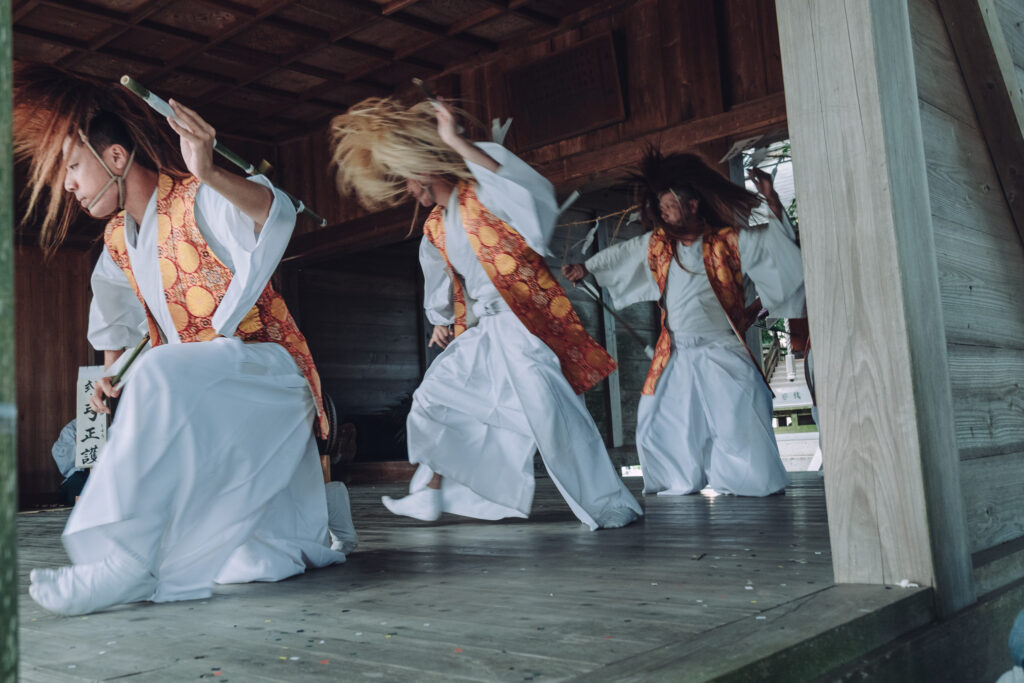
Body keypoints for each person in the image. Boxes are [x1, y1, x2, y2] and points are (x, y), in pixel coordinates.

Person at [14, 65, 355, 616]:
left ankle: (124, 563)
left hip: (266, 372)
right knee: (244, 564)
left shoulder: (198, 198)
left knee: (164, 371)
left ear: (116, 158)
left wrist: (209, 168)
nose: (68, 186)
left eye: (73, 167)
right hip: (208, 384)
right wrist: (114, 376)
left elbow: (274, 211)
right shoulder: (117, 244)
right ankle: (321, 513)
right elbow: (133, 332)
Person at [328, 96, 642, 529]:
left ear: (426, 166)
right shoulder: (437, 225)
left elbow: (523, 189)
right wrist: (439, 318)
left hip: (525, 324)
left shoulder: (485, 191)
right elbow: (438, 276)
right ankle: (429, 493)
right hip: (489, 328)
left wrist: (455, 140)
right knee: (435, 399)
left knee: (553, 419)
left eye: (408, 177)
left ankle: (609, 505)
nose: (407, 189)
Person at [562, 148, 805, 496]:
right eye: (660, 207)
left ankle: (750, 481)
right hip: (675, 351)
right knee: (654, 419)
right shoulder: (659, 244)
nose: (662, 212)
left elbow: (774, 244)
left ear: (692, 206)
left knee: (740, 412)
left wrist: (772, 200)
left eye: (669, 206)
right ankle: (677, 481)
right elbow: (622, 255)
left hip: (721, 347)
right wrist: (588, 268)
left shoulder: (728, 241)